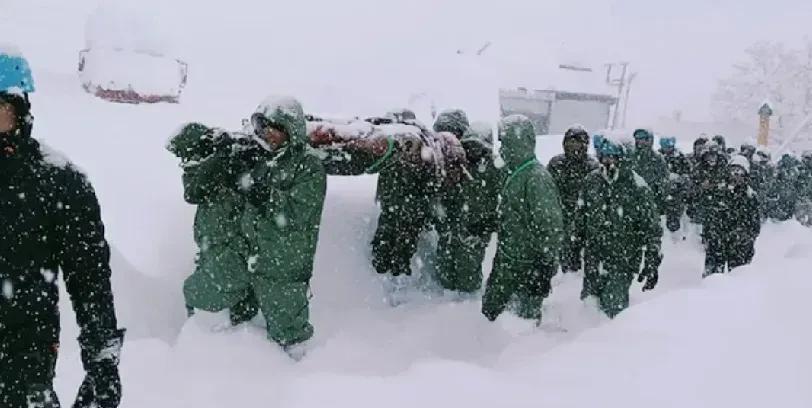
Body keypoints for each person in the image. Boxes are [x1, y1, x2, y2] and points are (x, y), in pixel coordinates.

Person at [0, 50, 125, 408]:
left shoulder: (59, 182)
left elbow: (90, 279)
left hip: (23, 354)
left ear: (20, 111)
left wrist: (102, 360)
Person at [173, 96, 326, 357]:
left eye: (274, 128)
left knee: (290, 332)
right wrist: (223, 160)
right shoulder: (252, 153)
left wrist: (259, 189)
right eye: (261, 126)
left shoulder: (308, 166)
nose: (267, 134)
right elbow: (199, 192)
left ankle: (302, 378)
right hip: (245, 255)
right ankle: (209, 355)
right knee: (209, 300)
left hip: (283, 262)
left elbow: (295, 214)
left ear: (291, 131)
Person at [482, 115, 563, 323]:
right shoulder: (513, 172)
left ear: (520, 141)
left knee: (522, 324)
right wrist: (491, 221)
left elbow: (550, 227)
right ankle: (488, 351)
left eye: (506, 142)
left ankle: (524, 355)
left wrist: (544, 267)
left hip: (528, 266)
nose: (502, 147)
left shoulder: (536, 177)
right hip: (507, 260)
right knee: (492, 315)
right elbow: (515, 211)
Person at [580, 139, 662, 318]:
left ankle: (614, 342)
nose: (608, 161)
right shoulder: (591, 181)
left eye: (613, 157)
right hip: (594, 257)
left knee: (613, 308)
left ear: (623, 159)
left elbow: (652, 227)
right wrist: (572, 246)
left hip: (623, 258)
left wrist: (652, 259)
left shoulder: (637, 186)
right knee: (590, 307)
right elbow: (581, 215)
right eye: (604, 157)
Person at [435, 122, 501, 293]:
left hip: (476, 229)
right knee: (445, 270)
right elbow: (441, 191)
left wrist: (490, 222)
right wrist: (442, 216)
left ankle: (466, 305)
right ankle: (442, 303)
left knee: (468, 272)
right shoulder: (455, 162)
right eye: (469, 146)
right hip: (452, 225)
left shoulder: (494, 167)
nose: (473, 150)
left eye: (477, 146)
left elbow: (504, 197)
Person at [547, 126, 599, 273]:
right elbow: (547, 189)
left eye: (579, 143)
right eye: (571, 142)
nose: (574, 147)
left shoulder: (592, 166)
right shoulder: (556, 163)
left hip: (583, 218)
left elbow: (596, 196)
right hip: (558, 215)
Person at [703, 155, 761, 276]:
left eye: (740, 173)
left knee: (739, 280)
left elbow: (755, 225)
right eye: (733, 171)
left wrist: (745, 238)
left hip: (740, 246)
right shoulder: (718, 191)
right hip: (717, 243)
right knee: (711, 280)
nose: (736, 176)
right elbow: (709, 216)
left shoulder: (750, 196)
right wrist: (711, 235)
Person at [628, 129, 669, 214]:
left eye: (643, 138)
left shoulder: (657, 158)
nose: (640, 141)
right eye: (638, 138)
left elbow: (664, 179)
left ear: (650, 140)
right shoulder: (629, 156)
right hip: (632, 198)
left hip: (652, 198)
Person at [690, 141, 729, 225]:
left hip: (720, 202)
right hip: (701, 202)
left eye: (714, 155)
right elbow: (691, 188)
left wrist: (717, 186)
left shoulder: (724, 168)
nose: (712, 158)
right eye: (709, 155)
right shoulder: (698, 169)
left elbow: (729, 186)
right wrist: (701, 187)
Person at [658, 137, 691, 232]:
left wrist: (679, 180)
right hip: (661, 189)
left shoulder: (680, 158)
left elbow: (687, 173)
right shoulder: (657, 157)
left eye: (669, 146)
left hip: (678, 190)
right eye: (665, 146)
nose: (668, 149)